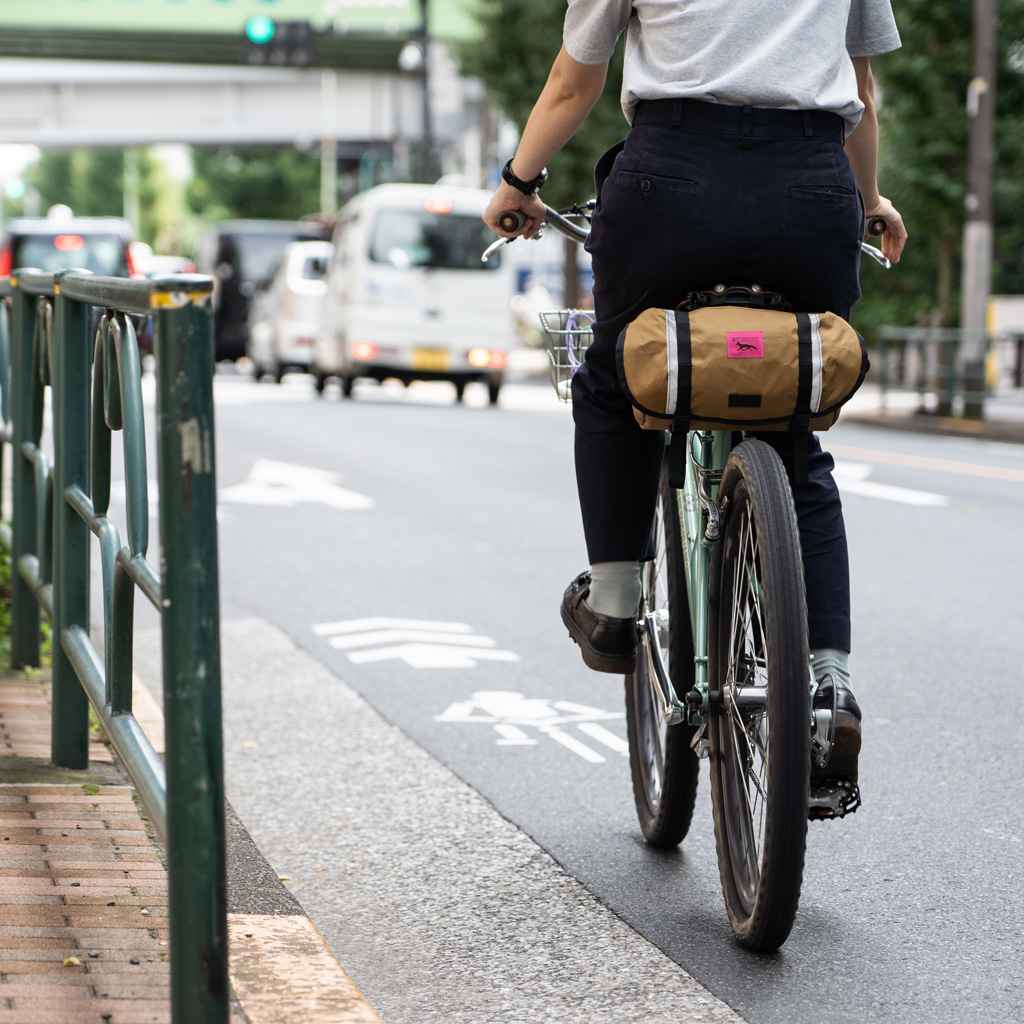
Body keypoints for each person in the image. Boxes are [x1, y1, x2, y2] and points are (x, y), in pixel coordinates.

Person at [483, 1, 908, 790]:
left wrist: (518, 183)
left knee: (612, 379)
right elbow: (861, 90)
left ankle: (615, 601)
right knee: (795, 432)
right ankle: (828, 688)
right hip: (810, 190)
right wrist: (869, 196)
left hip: (669, 184)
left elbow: (573, 82)